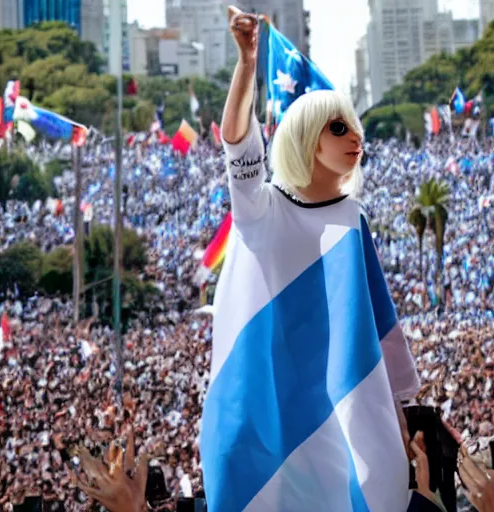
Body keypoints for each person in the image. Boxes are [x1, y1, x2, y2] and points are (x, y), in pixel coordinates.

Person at [199, 6, 419, 512]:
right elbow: (237, 143)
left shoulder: (351, 218)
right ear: (304, 138)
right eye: (338, 128)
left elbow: (377, 323)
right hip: (266, 411)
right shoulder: (262, 208)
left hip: (334, 414)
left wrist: (397, 409)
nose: (355, 138)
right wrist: (247, 66)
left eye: (354, 127)